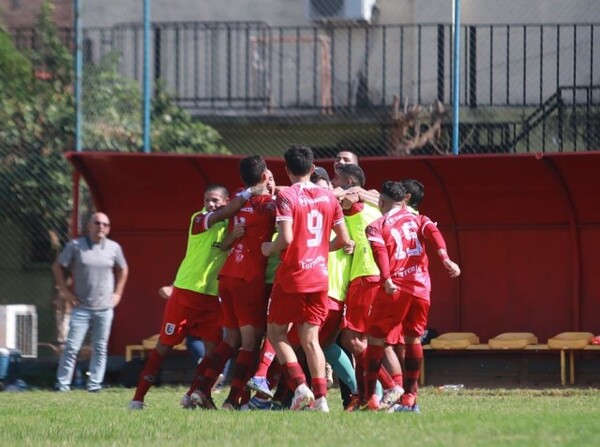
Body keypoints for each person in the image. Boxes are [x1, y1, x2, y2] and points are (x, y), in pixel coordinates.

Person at [129, 183, 264, 410]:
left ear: (225, 200)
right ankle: (138, 398)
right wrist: (248, 193)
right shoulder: (200, 218)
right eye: (207, 200)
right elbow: (223, 215)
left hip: (211, 298)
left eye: (215, 201)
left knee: (214, 353)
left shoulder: (231, 225)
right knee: (164, 345)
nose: (210, 205)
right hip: (186, 293)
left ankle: (197, 394)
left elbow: (225, 244)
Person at [262, 144, 351, 412]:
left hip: (292, 277)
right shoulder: (329, 198)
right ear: (313, 169)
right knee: (311, 339)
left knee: (277, 334)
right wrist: (321, 249)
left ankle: (300, 387)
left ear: (286, 170)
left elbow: (286, 238)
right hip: (319, 278)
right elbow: (345, 241)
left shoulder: (287, 195)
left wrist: (269, 247)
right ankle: (322, 400)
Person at [363, 180, 461, 411]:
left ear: (382, 201)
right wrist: (445, 258)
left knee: (375, 340)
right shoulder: (418, 218)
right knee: (413, 339)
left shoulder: (376, 225)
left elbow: (380, 252)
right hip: (421, 288)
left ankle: (371, 399)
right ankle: (410, 397)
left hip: (396, 288)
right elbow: (433, 232)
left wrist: (386, 278)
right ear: (404, 200)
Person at [188, 155, 276, 410]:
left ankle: (201, 390)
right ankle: (231, 400)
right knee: (251, 342)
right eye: (269, 177)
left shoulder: (239, 199)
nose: (272, 182)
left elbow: (224, 244)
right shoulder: (269, 206)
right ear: (262, 178)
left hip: (227, 276)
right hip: (248, 279)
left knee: (231, 340)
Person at [52, 212, 129, 392]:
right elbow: (57, 266)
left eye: (105, 225)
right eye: (97, 223)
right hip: (81, 307)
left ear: (108, 229)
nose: (101, 227)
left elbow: (124, 269)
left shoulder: (114, 247)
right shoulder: (75, 246)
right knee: (72, 347)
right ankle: (62, 385)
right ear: (89, 226)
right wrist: (64, 291)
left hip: (104, 308)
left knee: (100, 347)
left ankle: (94, 384)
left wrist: (118, 293)